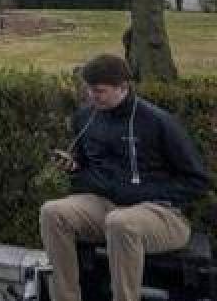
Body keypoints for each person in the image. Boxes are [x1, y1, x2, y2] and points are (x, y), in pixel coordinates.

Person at [40, 53, 211, 301]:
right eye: (88, 90)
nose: (91, 96)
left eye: (99, 91)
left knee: (121, 223)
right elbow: (85, 166)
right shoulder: (85, 118)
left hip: (162, 213)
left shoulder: (158, 122)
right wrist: (74, 167)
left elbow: (197, 181)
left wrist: (141, 193)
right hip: (106, 207)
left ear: (123, 87)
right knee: (52, 212)